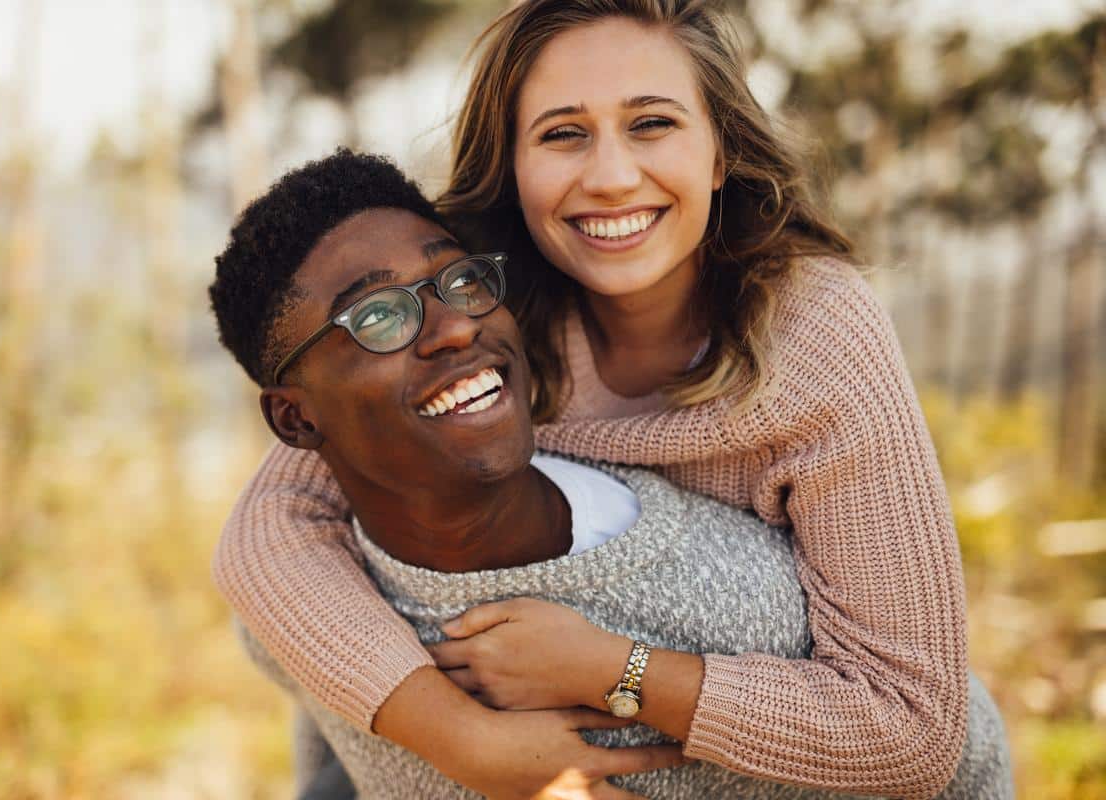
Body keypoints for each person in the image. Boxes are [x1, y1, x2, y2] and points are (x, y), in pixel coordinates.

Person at [213, 1, 988, 796]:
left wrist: (613, 669)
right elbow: (269, 531)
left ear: (720, 154)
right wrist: (459, 737)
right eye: (562, 133)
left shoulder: (812, 327)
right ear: (513, 169)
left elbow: (912, 729)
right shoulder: (484, 309)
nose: (613, 178)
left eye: (652, 123)